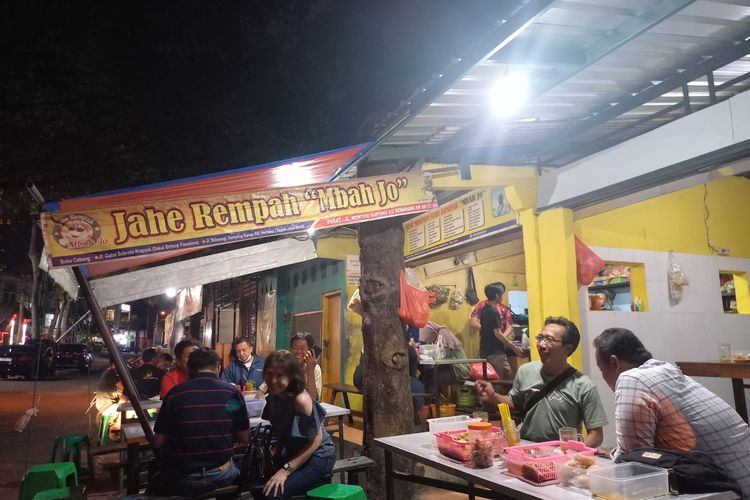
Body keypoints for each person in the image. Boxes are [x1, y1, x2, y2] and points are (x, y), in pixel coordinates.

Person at [593, 328, 750, 496]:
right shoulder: (667, 370)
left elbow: (632, 463)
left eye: (602, 370)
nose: (603, 377)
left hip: (734, 493)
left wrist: (613, 457)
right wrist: (613, 453)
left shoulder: (631, 379)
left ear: (614, 363)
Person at [476, 317, 607, 447]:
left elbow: (596, 435)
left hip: (559, 455)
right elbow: (513, 402)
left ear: (568, 348)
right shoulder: (525, 371)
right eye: (540, 338)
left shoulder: (583, 385)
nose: (541, 345)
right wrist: (493, 396)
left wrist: (572, 453)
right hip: (526, 449)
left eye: (549, 340)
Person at [148, 349, 250, 496]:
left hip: (182, 477)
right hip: (222, 473)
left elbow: (158, 442)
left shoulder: (175, 394)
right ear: (218, 368)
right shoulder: (231, 393)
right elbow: (244, 438)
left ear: (189, 369)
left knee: (153, 485)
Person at [259, 350, 335, 499]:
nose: (273, 380)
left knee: (272, 494)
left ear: (291, 377)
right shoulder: (274, 397)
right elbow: (283, 429)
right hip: (294, 453)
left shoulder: (300, 400)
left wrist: (285, 470)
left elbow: (316, 441)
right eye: (269, 374)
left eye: (280, 375)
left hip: (318, 456)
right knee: (255, 483)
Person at [478, 283, 524, 380]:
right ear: (496, 296)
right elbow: (497, 333)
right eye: (502, 294)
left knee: (508, 376)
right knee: (497, 382)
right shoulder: (492, 311)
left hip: (495, 351)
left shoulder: (485, 308)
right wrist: (514, 347)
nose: (503, 296)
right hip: (493, 352)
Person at [417, 321, 470, 397]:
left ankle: (429, 404)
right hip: (448, 367)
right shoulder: (438, 340)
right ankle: (429, 404)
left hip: (458, 370)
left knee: (432, 378)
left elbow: (440, 357)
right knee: (423, 376)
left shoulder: (445, 338)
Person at [88, 358, 127, 441]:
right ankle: (113, 429)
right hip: (106, 405)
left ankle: (114, 427)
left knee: (124, 399)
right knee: (125, 401)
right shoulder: (112, 373)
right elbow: (123, 388)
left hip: (103, 403)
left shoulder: (108, 372)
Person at [289, 332, 321, 401]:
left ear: (309, 351)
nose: (298, 351)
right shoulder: (285, 364)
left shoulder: (315, 368)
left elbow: (313, 398)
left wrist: (310, 370)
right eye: (295, 347)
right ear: (291, 349)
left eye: (303, 348)